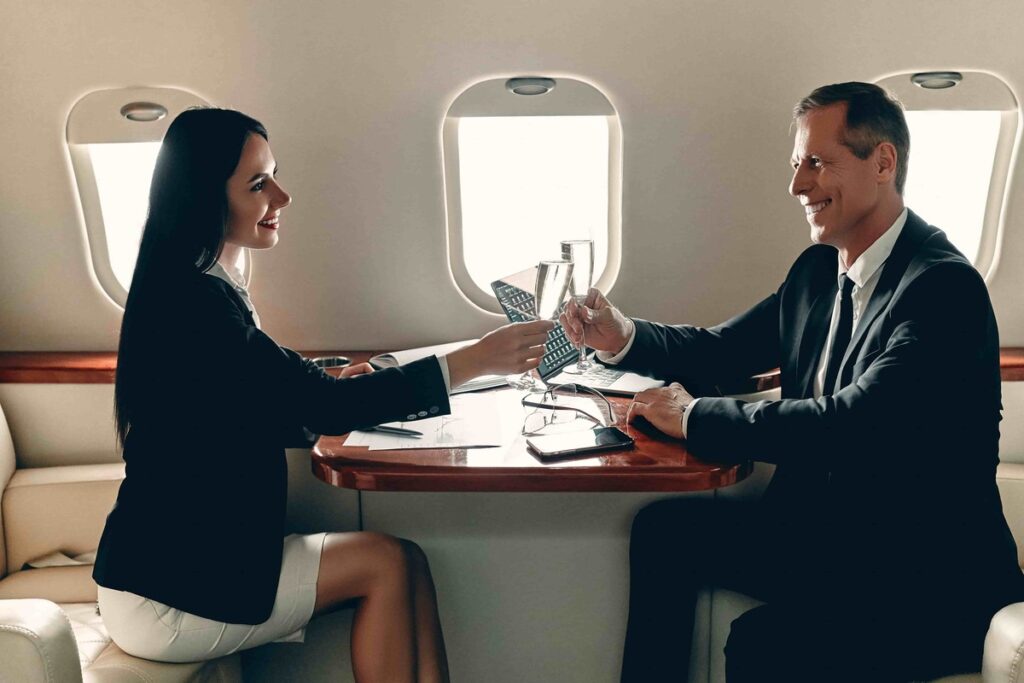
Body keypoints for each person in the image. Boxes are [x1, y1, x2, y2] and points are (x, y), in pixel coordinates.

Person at [561, 82, 1024, 682]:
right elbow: (722, 349)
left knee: (767, 643)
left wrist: (695, 417)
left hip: (923, 574)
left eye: (817, 162)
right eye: (796, 164)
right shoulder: (816, 271)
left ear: (883, 162)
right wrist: (621, 334)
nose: (797, 185)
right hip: (831, 542)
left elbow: (851, 424)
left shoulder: (942, 289)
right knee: (665, 532)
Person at [93, 108, 554, 683]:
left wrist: (336, 380)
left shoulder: (201, 283)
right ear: (203, 197)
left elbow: (262, 398)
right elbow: (320, 409)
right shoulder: (196, 304)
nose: (282, 197)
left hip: (182, 564)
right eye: (258, 184)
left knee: (405, 559)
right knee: (387, 564)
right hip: (169, 594)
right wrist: (473, 360)